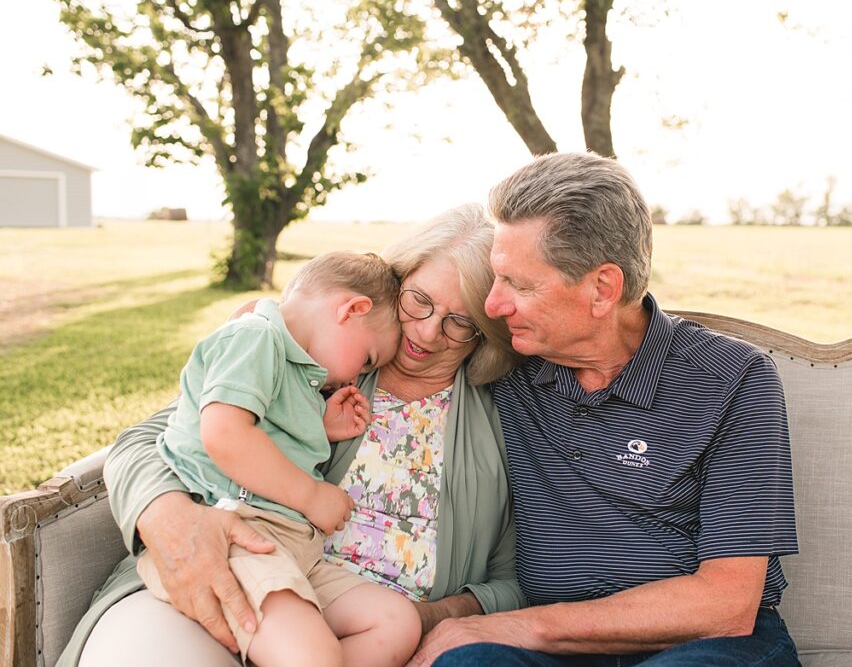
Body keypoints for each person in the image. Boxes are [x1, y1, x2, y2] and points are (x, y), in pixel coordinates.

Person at [58, 203, 525, 667]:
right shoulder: (316, 355)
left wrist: (435, 618)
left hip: (364, 625)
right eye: (418, 300)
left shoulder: (506, 418)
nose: (427, 330)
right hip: (228, 567)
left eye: (460, 322)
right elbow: (147, 440)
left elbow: (517, 577)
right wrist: (170, 520)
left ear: (484, 332)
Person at [412, 152, 801, 666]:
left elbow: (727, 603)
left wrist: (520, 624)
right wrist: (273, 330)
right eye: (497, 278)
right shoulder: (504, 366)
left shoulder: (732, 378)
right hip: (556, 649)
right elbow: (369, 325)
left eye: (521, 286)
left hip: (704, 648)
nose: (494, 307)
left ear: (602, 288)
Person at [134, 250, 421, 667]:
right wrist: (311, 495)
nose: (355, 378)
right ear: (352, 310)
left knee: (396, 622)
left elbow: (263, 428)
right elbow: (225, 435)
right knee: (314, 656)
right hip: (234, 534)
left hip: (288, 547)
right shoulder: (255, 336)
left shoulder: (297, 370)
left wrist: (318, 426)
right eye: (366, 360)